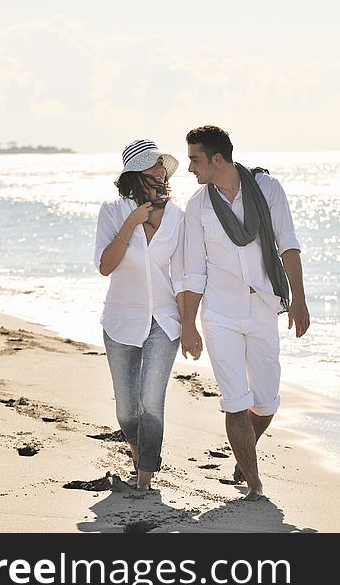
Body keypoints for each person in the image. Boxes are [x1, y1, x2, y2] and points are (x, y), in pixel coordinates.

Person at [180, 125, 310, 501]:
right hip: (220, 313)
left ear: (216, 159)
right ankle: (254, 484)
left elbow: (288, 244)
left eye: (195, 159)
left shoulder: (267, 189)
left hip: (263, 306)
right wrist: (189, 325)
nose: (191, 168)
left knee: (266, 400)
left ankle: (243, 452)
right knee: (235, 399)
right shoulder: (198, 206)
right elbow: (193, 270)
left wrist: (298, 298)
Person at [94, 139, 184, 490]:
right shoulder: (112, 212)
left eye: (162, 164)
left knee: (151, 404)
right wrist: (131, 222)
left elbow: (185, 274)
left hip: (164, 321)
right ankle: (138, 456)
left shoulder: (178, 217)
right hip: (120, 321)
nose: (161, 170)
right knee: (127, 411)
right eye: (153, 165)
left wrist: (190, 324)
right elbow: (105, 266)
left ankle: (144, 478)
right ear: (135, 174)